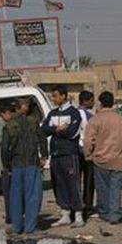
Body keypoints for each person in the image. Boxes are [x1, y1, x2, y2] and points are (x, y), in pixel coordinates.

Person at [1, 99, 48, 235]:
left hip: (16, 165)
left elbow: (4, 148)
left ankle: (17, 227)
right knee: (32, 196)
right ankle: (30, 227)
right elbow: (42, 138)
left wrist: (7, 166)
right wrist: (44, 156)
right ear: (21, 108)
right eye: (26, 105)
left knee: (16, 197)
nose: (28, 107)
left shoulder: (9, 125)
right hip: (31, 163)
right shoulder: (33, 122)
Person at [42, 85, 85, 228]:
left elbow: (72, 132)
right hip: (55, 154)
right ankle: (65, 213)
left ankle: (78, 214)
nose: (53, 99)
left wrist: (57, 132)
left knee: (73, 183)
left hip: (69, 153)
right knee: (59, 184)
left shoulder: (74, 113)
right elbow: (44, 130)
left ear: (63, 96)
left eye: (55, 96)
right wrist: (57, 129)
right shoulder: (52, 113)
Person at [84, 91, 122, 224]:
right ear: (113, 102)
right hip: (118, 159)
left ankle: (104, 212)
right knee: (116, 188)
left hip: (100, 159)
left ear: (101, 103)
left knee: (102, 188)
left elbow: (88, 140)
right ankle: (115, 214)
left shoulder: (95, 120)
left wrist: (88, 155)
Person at [0, 101, 16, 229]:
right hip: (6, 163)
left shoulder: (6, 123)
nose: (10, 116)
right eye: (8, 113)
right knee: (8, 192)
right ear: (3, 114)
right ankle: (10, 216)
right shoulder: (0, 124)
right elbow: (4, 141)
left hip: (10, 162)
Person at [78, 91, 95, 219]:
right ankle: (87, 205)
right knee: (89, 180)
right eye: (91, 100)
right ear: (85, 101)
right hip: (86, 150)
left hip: (75, 150)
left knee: (76, 180)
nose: (93, 103)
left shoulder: (73, 114)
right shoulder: (89, 116)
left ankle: (77, 205)